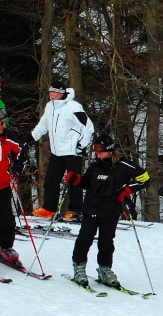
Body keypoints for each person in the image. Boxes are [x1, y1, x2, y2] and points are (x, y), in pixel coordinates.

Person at [65, 134, 150, 287]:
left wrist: (126, 191)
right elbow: (87, 183)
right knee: (84, 240)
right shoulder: (95, 165)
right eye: (94, 149)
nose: (97, 153)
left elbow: (145, 178)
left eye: (100, 150)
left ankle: (105, 269)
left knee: (106, 242)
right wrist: (76, 179)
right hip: (91, 208)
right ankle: (79, 267)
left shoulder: (124, 165)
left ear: (110, 150)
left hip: (110, 210)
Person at [27, 80, 94, 220]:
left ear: (62, 93)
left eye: (55, 92)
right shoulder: (49, 106)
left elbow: (88, 127)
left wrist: (81, 145)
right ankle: (49, 209)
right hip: (56, 152)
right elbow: (43, 125)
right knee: (51, 180)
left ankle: (76, 211)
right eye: (50, 92)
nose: (52, 94)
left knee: (74, 181)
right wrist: (31, 137)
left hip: (72, 152)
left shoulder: (73, 107)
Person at [0, 109, 27, 269]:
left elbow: (21, 154)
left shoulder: (8, 137)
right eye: (0, 124)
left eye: (3, 123)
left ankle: (6, 247)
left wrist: (17, 170)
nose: (3, 126)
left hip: (3, 186)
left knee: (6, 220)